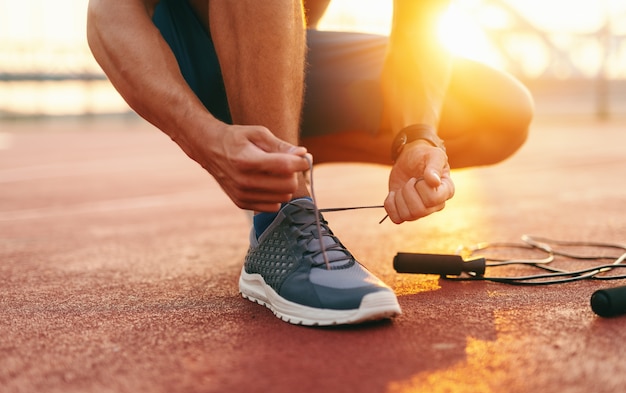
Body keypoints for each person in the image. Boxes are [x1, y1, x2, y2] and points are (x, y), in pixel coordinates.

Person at [86, 0, 533, 326]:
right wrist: (204, 137)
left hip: (283, 53)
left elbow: (422, 27)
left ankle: (278, 169)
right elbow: (108, 13)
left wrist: (415, 136)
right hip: (185, 59)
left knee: (497, 112)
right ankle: (280, 214)